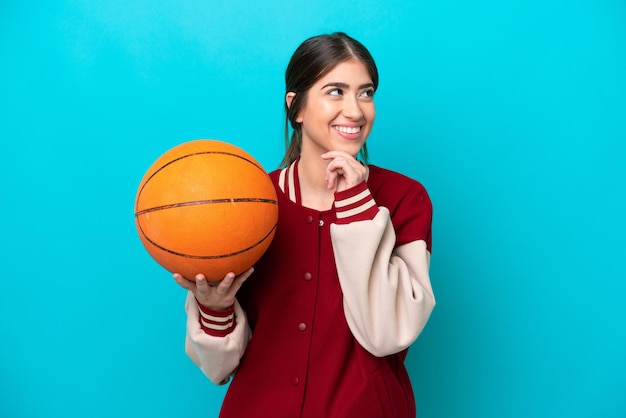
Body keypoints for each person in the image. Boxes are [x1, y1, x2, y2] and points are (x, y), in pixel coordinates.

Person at [173, 32, 435, 418]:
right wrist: (216, 307)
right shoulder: (249, 203)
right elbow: (218, 368)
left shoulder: (404, 198)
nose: (356, 111)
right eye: (336, 91)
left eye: (366, 93)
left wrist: (356, 204)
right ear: (296, 108)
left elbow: (388, 334)